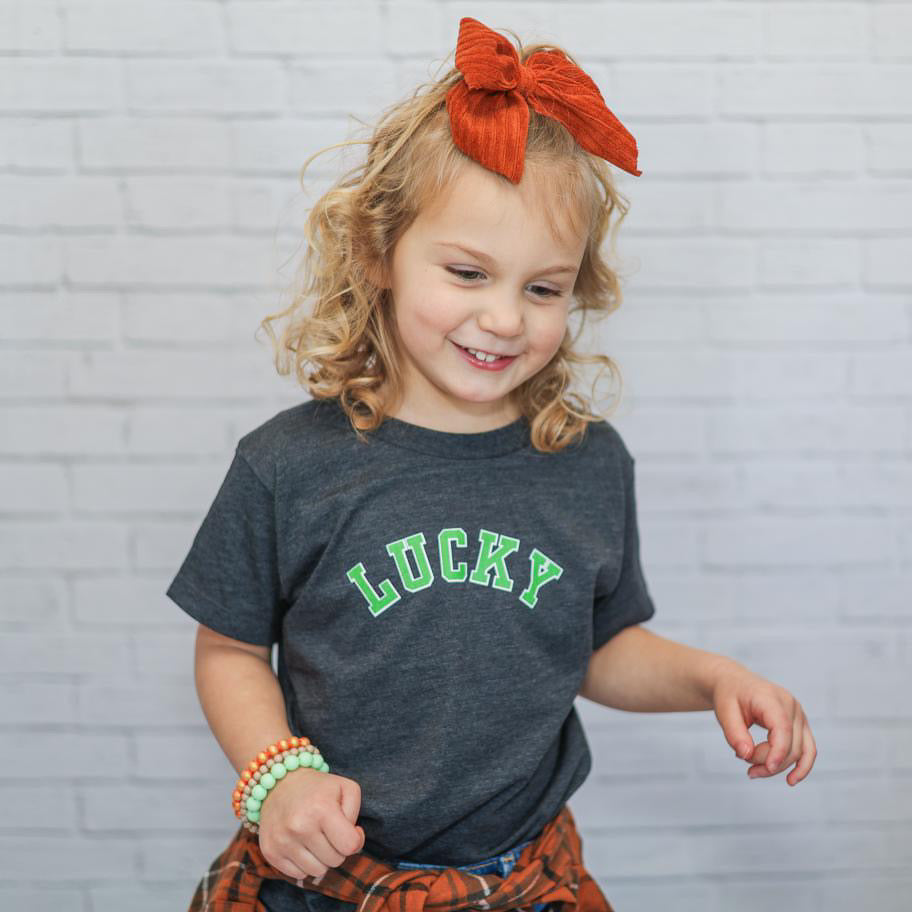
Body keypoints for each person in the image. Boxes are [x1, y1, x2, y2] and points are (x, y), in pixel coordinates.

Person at [165, 16, 817, 912]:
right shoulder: (288, 467)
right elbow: (230, 649)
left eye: (542, 288)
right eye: (469, 273)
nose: (506, 319)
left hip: (526, 880)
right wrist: (278, 776)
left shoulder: (587, 463)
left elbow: (598, 649)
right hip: (331, 882)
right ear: (379, 252)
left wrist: (716, 680)